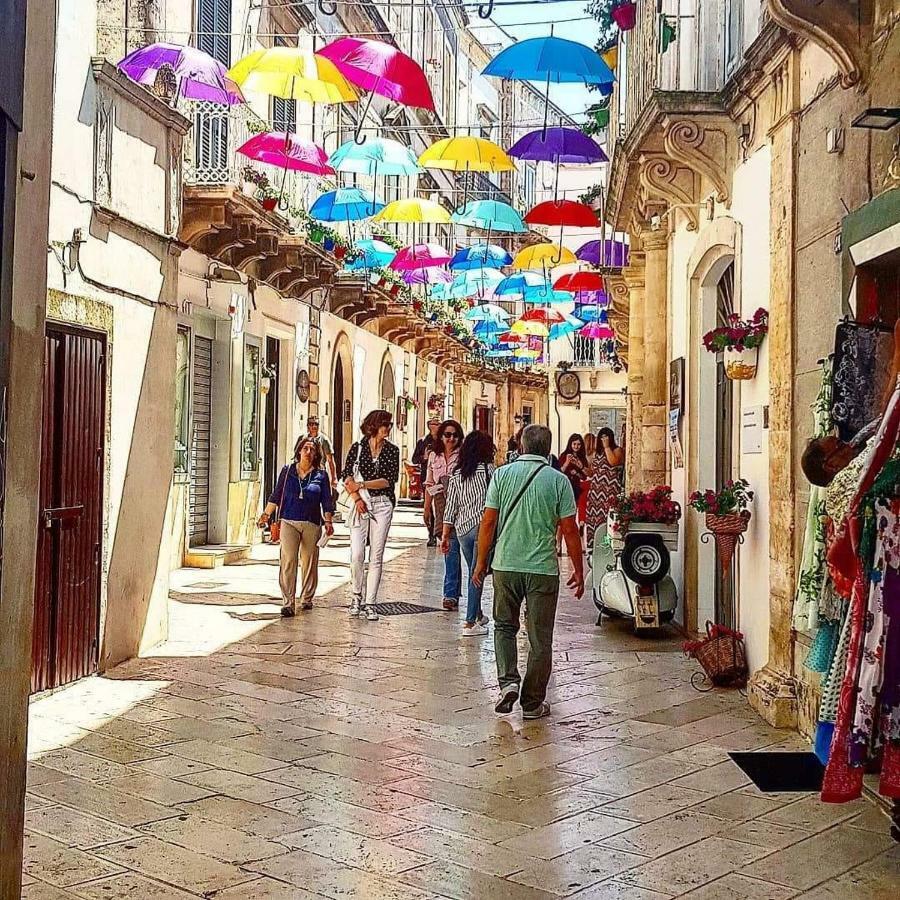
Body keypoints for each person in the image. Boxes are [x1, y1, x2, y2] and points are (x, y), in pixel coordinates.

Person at [473, 424, 584, 720]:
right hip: (542, 569)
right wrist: (579, 568)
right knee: (540, 637)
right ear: (548, 449)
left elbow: (488, 523)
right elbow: (570, 530)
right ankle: (533, 703)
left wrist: (481, 562)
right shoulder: (558, 481)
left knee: (504, 627)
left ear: (521, 446)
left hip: (506, 565)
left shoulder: (502, 475)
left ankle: (508, 682)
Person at [258, 437, 335, 617]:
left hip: (312, 522)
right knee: (288, 560)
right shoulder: (287, 471)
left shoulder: (321, 475)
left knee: (309, 561)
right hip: (289, 521)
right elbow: (276, 495)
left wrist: (328, 521)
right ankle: (288, 602)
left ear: (316, 454)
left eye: (312, 450)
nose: (308, 452)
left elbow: (326, 501)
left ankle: (307, 597)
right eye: (305, 448)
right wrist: (266, 515)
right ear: (299, 451)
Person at [341, 410, 400, 621]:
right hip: (360, 503)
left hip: (382, 504)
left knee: (376, 555)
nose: (388, 428)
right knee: (357, 553)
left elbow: (389, 480)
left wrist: (362, 484)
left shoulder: (392, 451)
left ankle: (371, 603)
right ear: (373, 426)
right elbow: (346, 476)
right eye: (385, 424)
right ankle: (356, 595)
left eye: (390, 424)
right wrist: (356, 497)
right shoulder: (357, 449)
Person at [440, 430, 495, 635]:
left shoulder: (457, 472)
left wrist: (446, 534)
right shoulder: (490, 470)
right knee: (477, 572)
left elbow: (450, 505)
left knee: (474, 570)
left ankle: (478, 613)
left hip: (462, 529)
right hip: (482, 527)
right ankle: (470, 622)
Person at [426, 419, 464, 610]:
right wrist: (426, 508)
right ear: (441, 436)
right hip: (440, 506)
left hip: (459, 506)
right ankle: (452, 593)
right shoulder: (434, 456)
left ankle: (451, 593)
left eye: (455, 435)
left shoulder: (463, 456)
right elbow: (429, 483)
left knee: (453, 548)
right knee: (450, 549)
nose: (451, 439)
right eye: (447, 435)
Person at [583, 427, 625, 549]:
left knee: (606, 518)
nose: (603, 439)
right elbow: (591, 472)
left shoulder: (617, 450)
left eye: (606, 437)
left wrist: (607, 447)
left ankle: (607, 545)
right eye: (601, 437)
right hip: (595, 491)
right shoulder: (597, 453)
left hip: (610, 490)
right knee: (593, 519)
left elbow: (613, 462)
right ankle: (593, 546)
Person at [559, 433, 590, 553]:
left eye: (578, 444)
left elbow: (585, 476)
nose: (576, 446)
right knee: (562, 517)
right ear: (570, 444)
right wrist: (567, 462)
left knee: (573, 515)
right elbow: (559, 471)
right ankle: (559, 544)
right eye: (574, 444)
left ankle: (575, 546)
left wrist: (578, 468)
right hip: (565, 488)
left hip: (576, 488)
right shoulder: (563, 456)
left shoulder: (582, 458)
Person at [413, 417, 441, 545]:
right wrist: (424, 457)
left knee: (441, 506)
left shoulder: (444, 440)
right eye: (433, 424)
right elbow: (415, 459)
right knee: (429, 506)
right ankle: (432, 534)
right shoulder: (423, 441)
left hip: (442, 477)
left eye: (437, 423)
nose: (435, 426)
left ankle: (441, 531)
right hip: (427, 477)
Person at [305, 416, 337, 491]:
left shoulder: (324, 440)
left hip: (319, 471)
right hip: (305, 471)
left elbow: (330, 460)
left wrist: (334, 478)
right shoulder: (303, 438)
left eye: (316, 424)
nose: (314, 426)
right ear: (308, 426)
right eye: (311, 424)